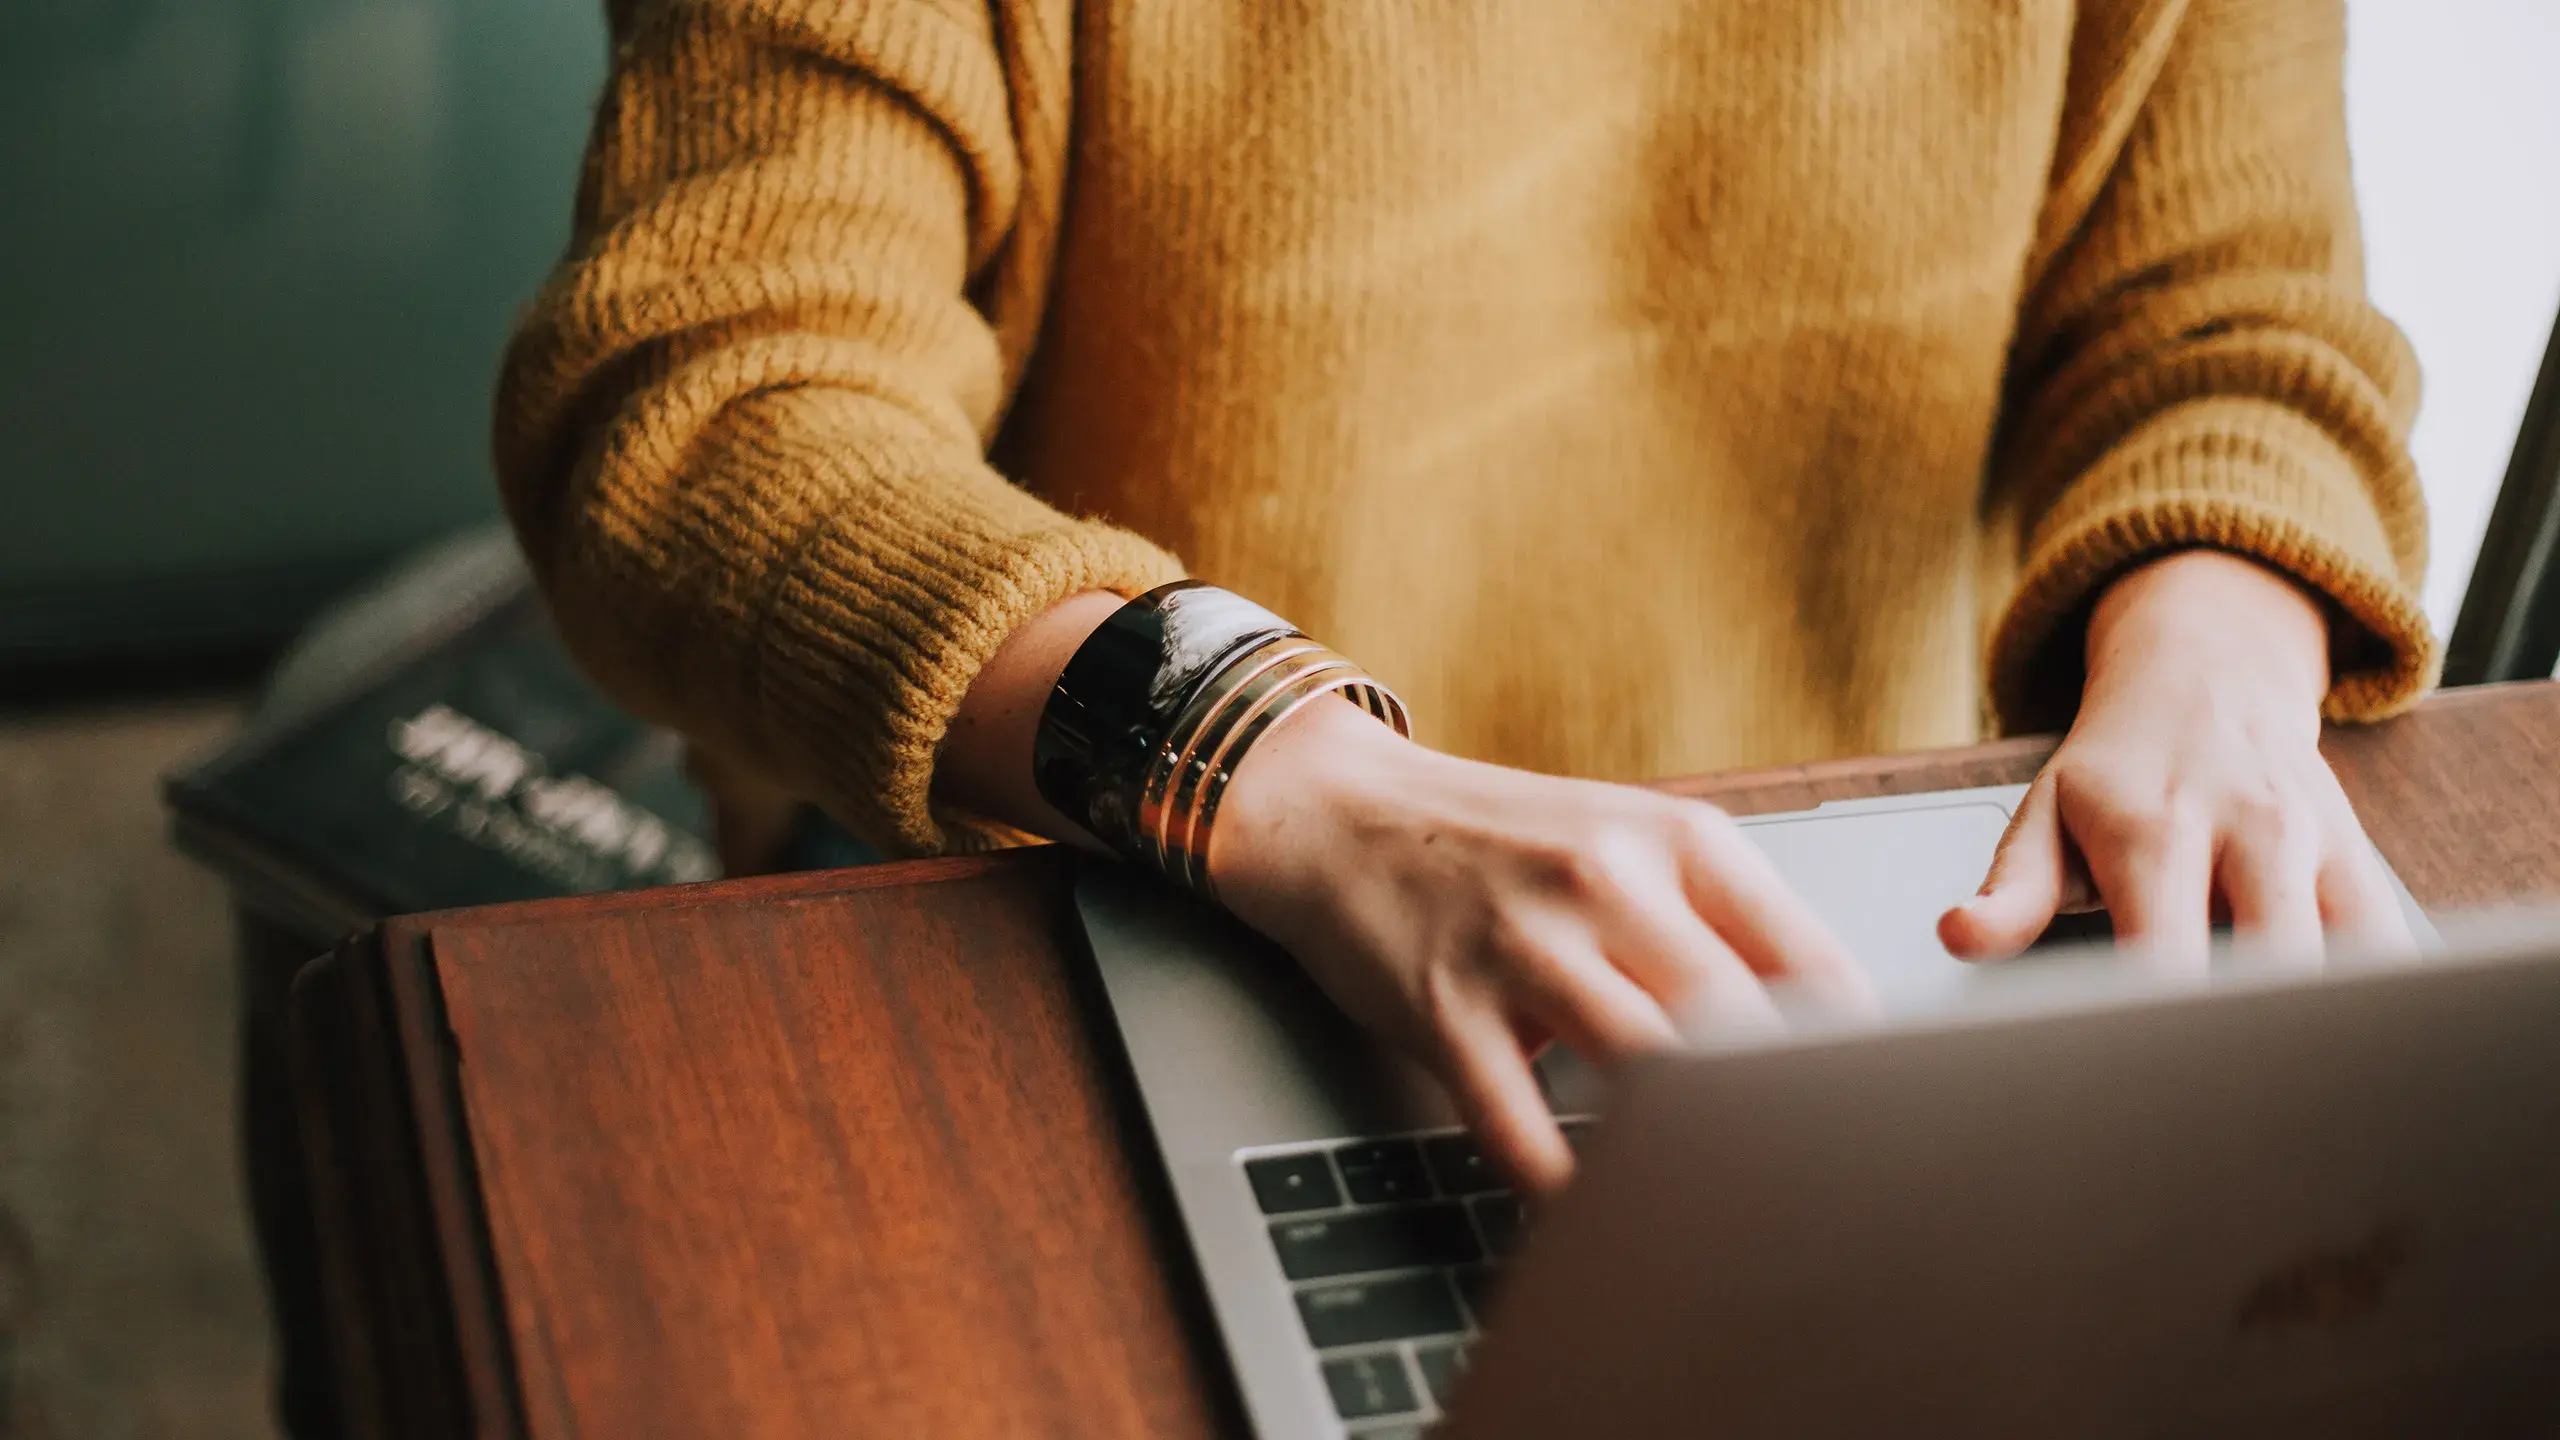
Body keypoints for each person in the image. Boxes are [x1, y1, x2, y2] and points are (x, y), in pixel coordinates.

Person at [494, 0, 2431, 1194]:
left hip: (1841, 959)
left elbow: (2232, 323)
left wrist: (2217, 638)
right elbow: (704, 404)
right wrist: (1272, 765)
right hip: (1114, 900)